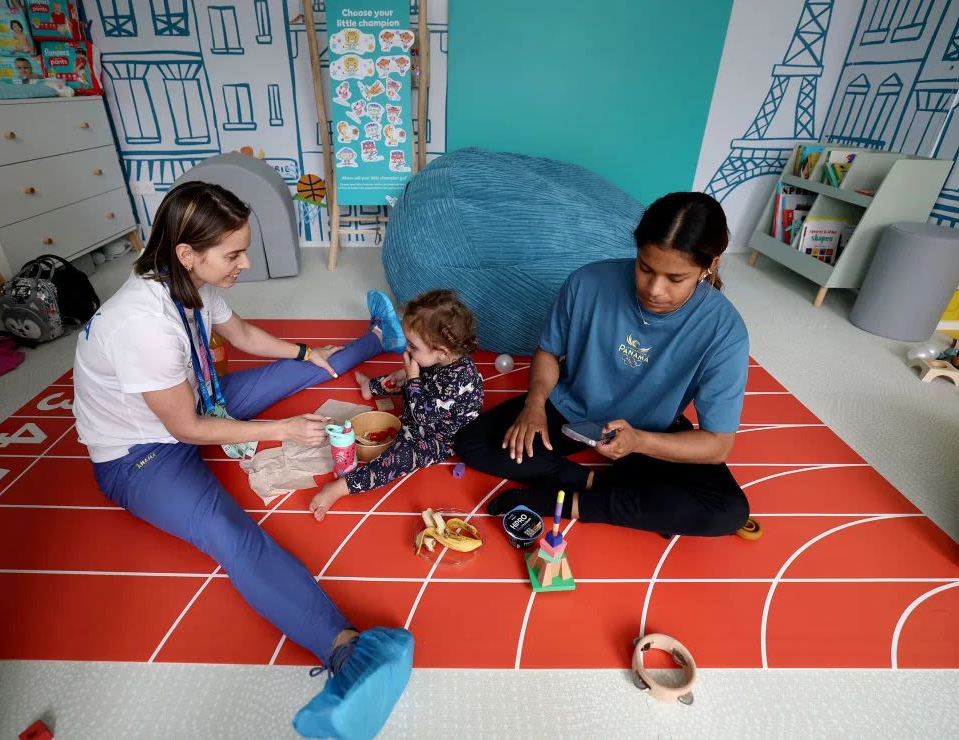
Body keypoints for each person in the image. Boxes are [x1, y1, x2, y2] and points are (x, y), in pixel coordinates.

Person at [72, 181, 414, 738]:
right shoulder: (144, 326)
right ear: (187, 252)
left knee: (297, 367)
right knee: (234, 537)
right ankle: (344, 649)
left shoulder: (185, 280)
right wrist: (283, 428)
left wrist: (306, 353)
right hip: (140, 457)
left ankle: (380, 336)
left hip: (196, 401)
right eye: (233, 254)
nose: (246, 262)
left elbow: (245, 333)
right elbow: (184, 428)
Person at [456, 192, 751, 537]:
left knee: (728, 511)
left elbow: (718, 444)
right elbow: (549, 352)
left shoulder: (725, 330)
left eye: (675, 278)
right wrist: (534, 404)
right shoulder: (588, 283)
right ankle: (589, 480)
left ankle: (566, 503)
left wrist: (639, 441)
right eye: (644, 267)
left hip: (650, 432)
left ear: (709, 265)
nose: (654, 289)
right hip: (571, 410)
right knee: (473, 443)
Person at [309, 289, 484, 519]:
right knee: (402, 376)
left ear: (441, 352)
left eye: (413, 346)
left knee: (399, 458)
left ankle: (340, 488)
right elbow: (425, 379)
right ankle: (370, 387)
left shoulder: (457, 380)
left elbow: (423, 416)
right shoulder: (444, 357)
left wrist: (413, 379)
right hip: (425, 404)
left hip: (439, 437)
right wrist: (409, 376)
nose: (406, 349)